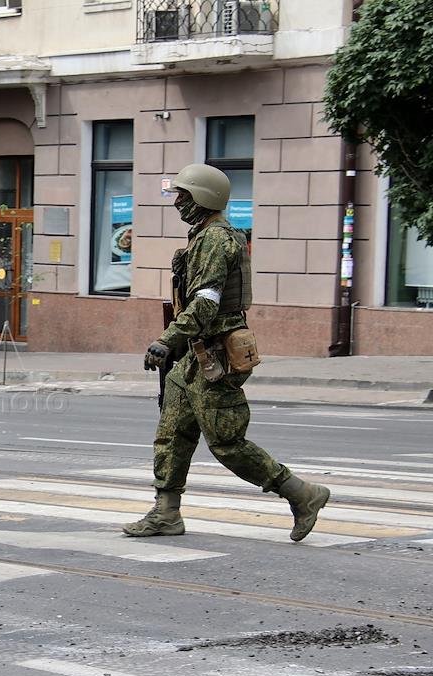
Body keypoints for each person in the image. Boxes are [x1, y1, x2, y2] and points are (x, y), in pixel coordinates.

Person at [125, 163, 331, 542]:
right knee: (172, 434)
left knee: (226, 443)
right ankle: (166, 513)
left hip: (216, 358)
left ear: (203, 198)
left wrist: (165, 340)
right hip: (194, 356)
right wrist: (178, 345)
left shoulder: (217, 240)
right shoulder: (202, 236)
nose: (177, 203)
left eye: (183, 196)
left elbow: (205, 302)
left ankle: (302, 494)